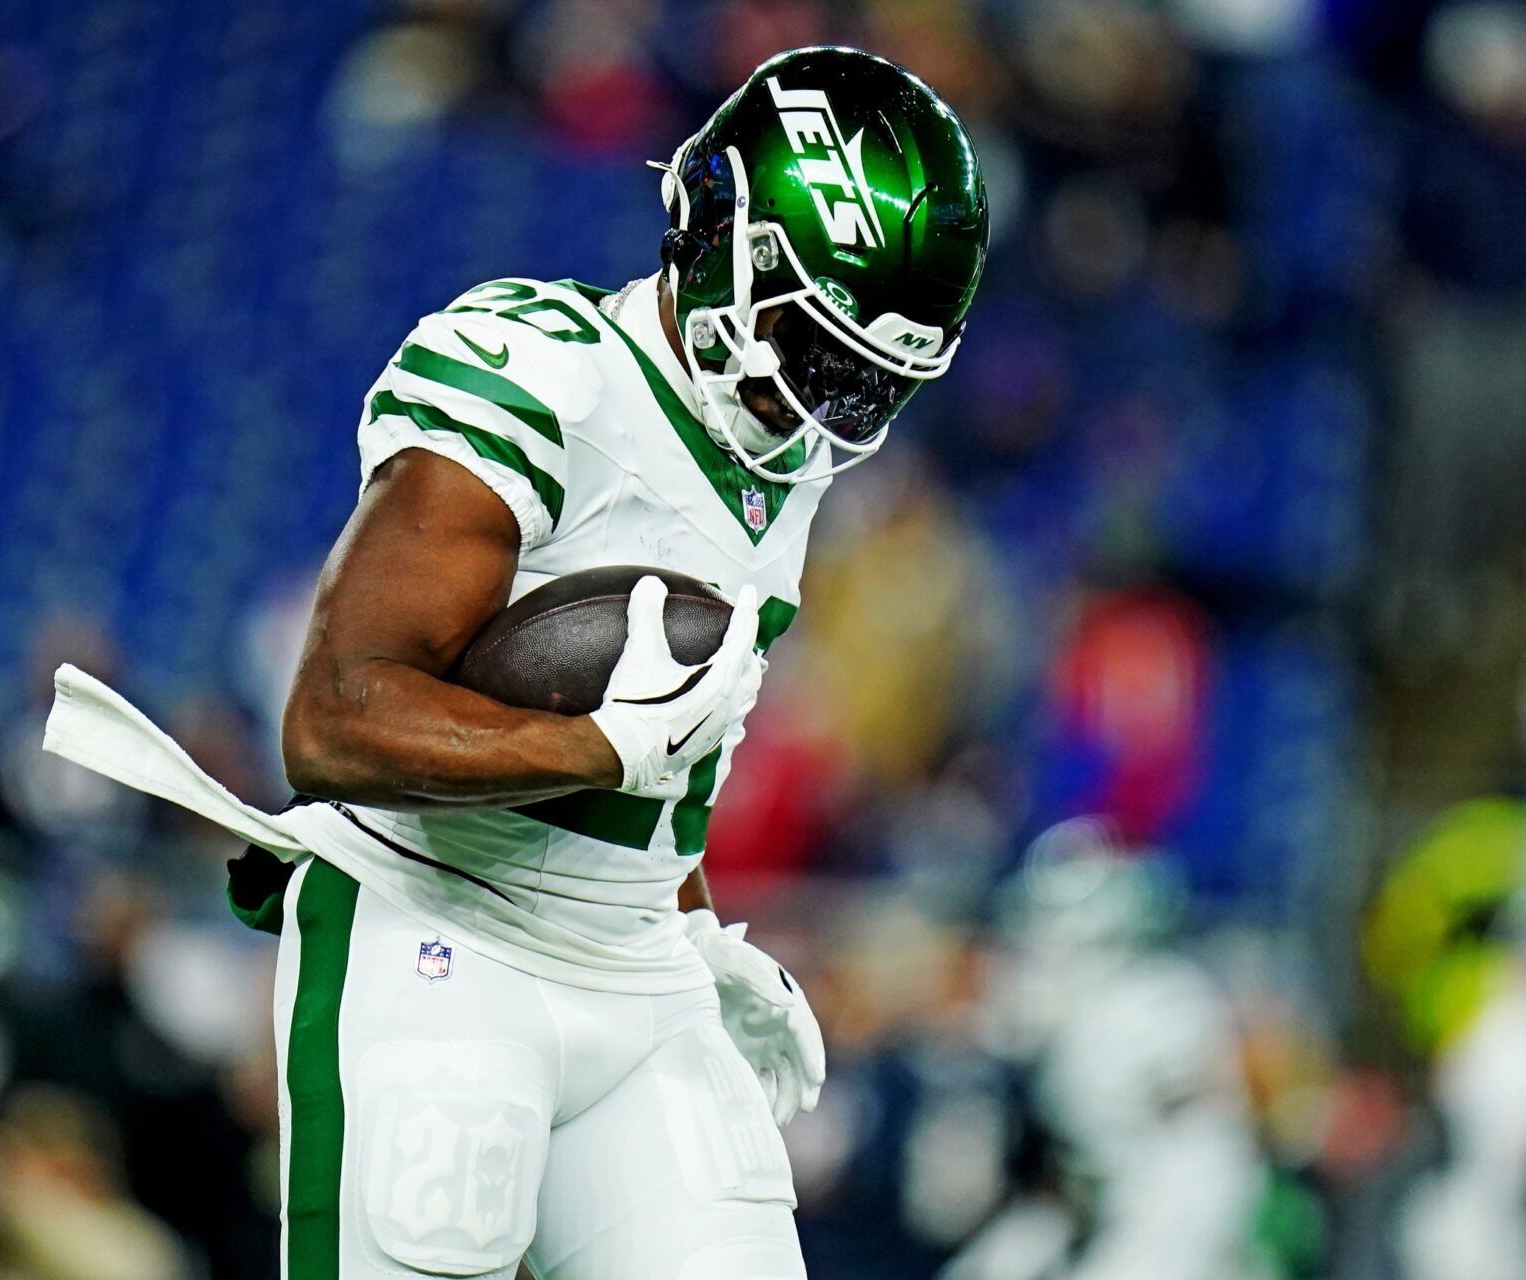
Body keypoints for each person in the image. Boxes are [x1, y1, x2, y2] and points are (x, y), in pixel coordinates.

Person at [49, 45, 987, 1279]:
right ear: (725, 239)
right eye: (817, 353)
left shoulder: (788, 466)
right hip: (440, 936)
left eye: (869, 384)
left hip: (636, 978)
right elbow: (333, 720)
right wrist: (589, 749)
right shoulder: (547, 375)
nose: (827, 411)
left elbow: (665, 753)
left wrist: (690, 923)